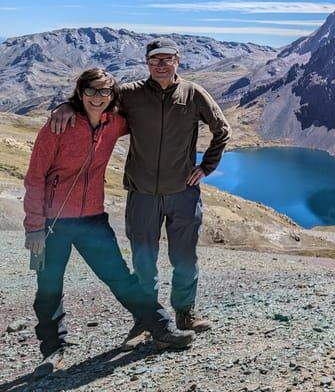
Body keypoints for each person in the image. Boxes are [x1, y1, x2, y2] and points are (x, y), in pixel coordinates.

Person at [50, 37, 231, 348]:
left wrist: (206, 167)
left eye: (167, 58)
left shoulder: (193, 93)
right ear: (147, 62)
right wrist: (67, 104)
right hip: (142, 194)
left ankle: (185, 313)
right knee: (144, 263)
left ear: (178, 60)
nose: (161, 64)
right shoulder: (131, 94)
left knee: (185, 259)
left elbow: (222, 130)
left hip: (183, 193)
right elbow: (95, 98)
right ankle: (148, 321)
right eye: (155, 59)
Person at [24, 68, 195, 378]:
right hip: (52, 223)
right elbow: (35, 178)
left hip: (92, 219)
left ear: (112, 96)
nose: (98, 97)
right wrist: (34, 227)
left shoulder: (114, 123)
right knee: (48, 287)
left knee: (120, 278)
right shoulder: (58, 126)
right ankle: (52, 352)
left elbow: (146, 119)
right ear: (80, 92)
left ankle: (162, 329)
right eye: (91, 91)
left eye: (105, 92)